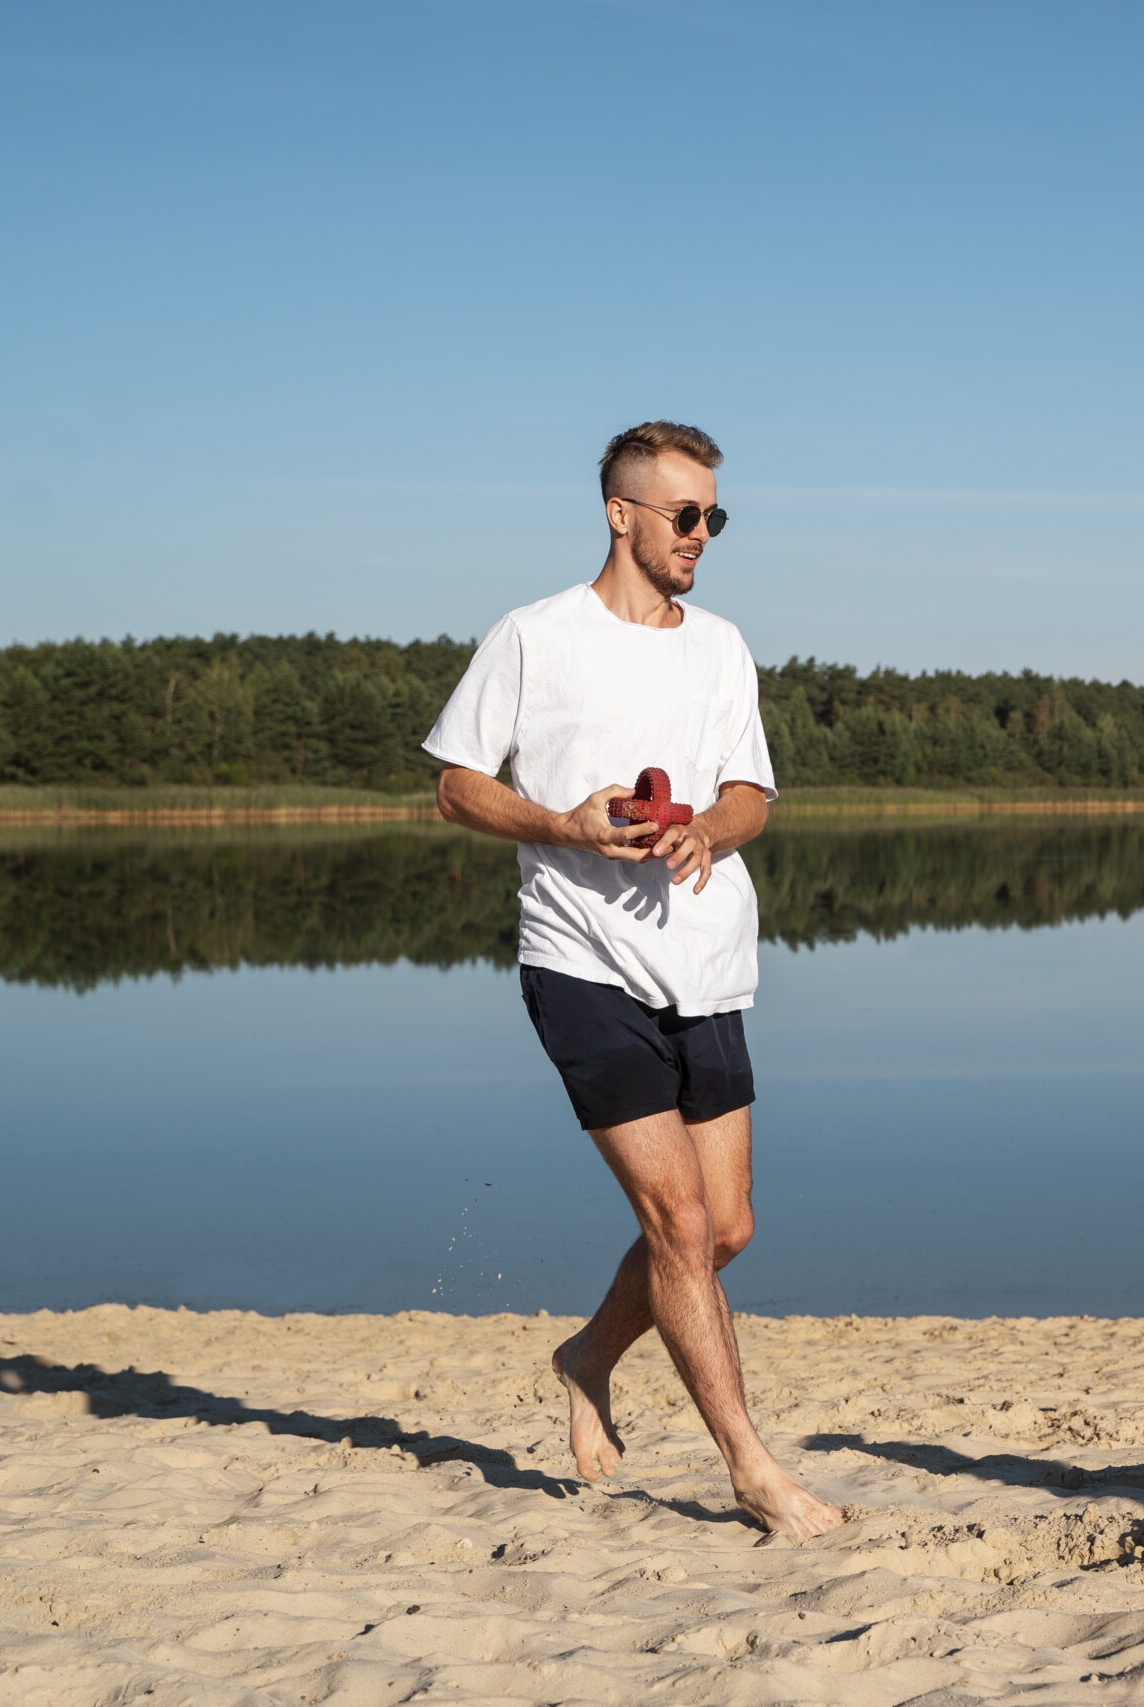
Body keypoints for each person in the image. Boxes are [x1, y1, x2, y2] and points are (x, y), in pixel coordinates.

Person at [422, 420, 842, 1537]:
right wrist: (561, 822)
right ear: (622, 515)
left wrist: (709, 829)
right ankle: (751, 1468)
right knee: (674, 1216)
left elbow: (753, 793)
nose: (702, 534)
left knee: (726, 1229)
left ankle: (585, 1354)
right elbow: (457, 789)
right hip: (582, 963)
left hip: (706, 965)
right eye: (684, 515)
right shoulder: (533, 636)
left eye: (715, 516)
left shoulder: (721, 646)